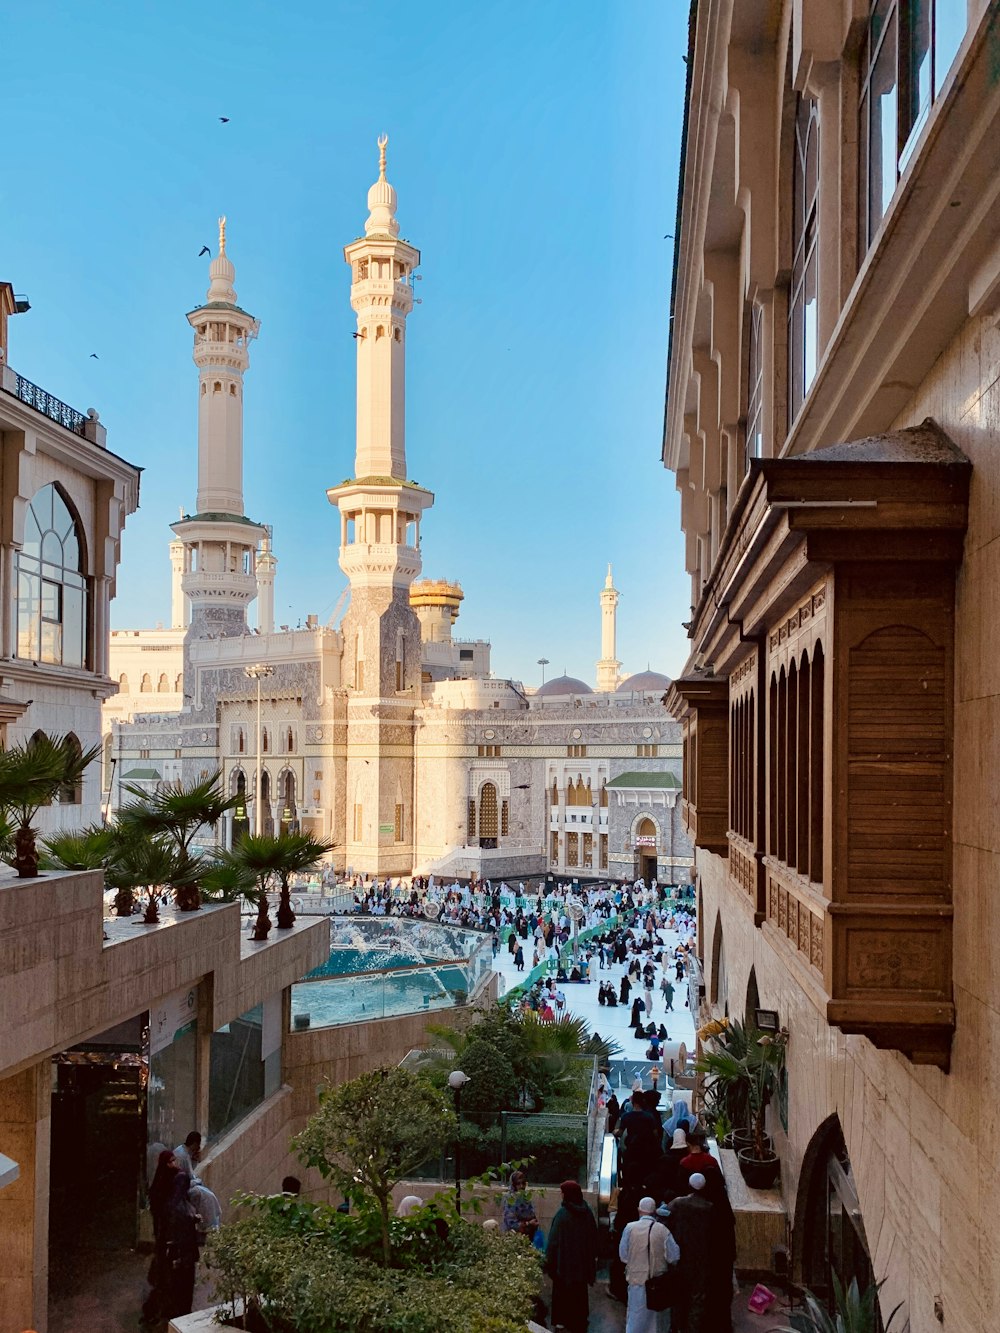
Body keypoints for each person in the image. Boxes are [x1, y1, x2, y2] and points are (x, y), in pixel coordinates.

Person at [618, 1195, 680, 1333]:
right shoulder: (663, 1230)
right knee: (656, 1322)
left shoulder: (629, 1228)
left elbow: (623, 1255)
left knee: (635, 1318)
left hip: (636, 1280)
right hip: (657, 1282)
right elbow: (674, 1256)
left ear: (639, 1210)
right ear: (655, 1211)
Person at [545, 1179, 598, 1333]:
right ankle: (579, 1319)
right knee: (579, 1293)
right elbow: (594, 1237)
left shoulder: (562, 1215)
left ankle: (561, 1321)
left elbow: (553, 1241)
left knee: (562, 1294)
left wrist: (549, 1261)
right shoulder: (587, 1212)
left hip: (564, 1264)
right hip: (582, 1264)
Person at [665, 1173, 714, 1333]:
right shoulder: (709, 1208)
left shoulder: (678, 1204)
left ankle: (676, 1327)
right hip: (701, 1258)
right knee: (697, 1297)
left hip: (680, 1256)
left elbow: (665, 1218)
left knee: (677, 1293)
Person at [162, 1173, 202, 1320]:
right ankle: (182, 1313)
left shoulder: (173, 1204)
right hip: (184, 1254)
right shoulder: (181, 1208)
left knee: (176, 1284)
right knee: (185, 1286)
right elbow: (180, 1233)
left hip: (178, 1254)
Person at [502, 1169, 537, 1233]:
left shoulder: (526, 1198)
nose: (521, 1186)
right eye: (518, 1183)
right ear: (513, 1185)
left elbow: (533, 1216)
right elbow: (511, 1223)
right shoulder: (510, 1199)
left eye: (523, 1183)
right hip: (513, 1237)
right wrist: (528, 1223)